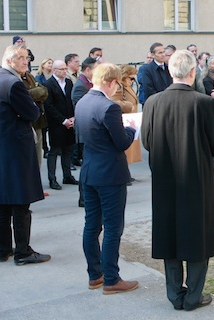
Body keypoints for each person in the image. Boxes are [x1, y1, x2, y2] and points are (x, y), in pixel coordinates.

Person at [141, 49, 214, 311]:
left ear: (171, 72)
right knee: (197, 234)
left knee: (169, 233)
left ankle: (174, 293)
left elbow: (147, 141)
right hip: (196, 178)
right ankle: (193, 295)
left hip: (165, 177)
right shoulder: (203, 103)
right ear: (193, 72)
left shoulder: (153, 102)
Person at [75, 62, 139, 294]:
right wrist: (131, 128)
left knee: (92, 225)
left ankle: (95, 275)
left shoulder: (82, 102)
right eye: (117, 85)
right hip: (110, 173)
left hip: (90, 170)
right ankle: (111, 278)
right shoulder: (108, 107)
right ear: (112, 82)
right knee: (112, 227)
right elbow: (121, 142)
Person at [0, 44, 50, 265]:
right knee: (20, 203)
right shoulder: (14, 83)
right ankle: (23, 252)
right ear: (9, 60)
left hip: (3, 148)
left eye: (26, 58)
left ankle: (4, 249)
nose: (26, 62)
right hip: (16, 150)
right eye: (21, 58)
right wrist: (35, 105)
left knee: (4, 203)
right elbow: (32, 113)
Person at [43, 60, 78, 190]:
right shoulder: (48, 84)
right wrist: (63, 120)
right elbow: (49, 106)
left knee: (68, 149)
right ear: (54, 70)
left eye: (65, 69)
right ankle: (52, 179)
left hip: (69, 121)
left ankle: (67, 175)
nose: (64, 71)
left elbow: (71, 101)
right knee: (55, 150)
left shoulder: (68, 83)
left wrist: (72, 118)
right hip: (56, 123)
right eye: (61, 69)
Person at [110, 65, 142, 172]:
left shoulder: (127, 86)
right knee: (125, 150)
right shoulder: (120, 86)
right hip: (124, 120)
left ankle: (125, 172)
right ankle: (122, 172)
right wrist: (128, 106)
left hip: (130, 119)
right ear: (125, 76)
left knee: (129, 150)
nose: (132, 81)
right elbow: (113, 102)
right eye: (131, 78)